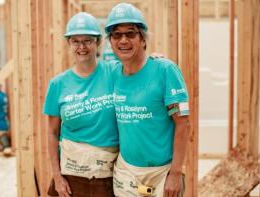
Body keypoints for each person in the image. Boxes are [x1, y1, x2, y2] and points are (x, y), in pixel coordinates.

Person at [105, 3, 190, 197]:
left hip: (162, 174)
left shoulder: (165, 70)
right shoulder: (112, 74)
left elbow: (183, 122)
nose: (123, 40)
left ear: (143, 39)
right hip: (127, 174)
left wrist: (176, 173)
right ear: (110, 41)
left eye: (131, 34)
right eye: (116, 35)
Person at [43, 12, 118, 197]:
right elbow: (52, 133)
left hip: (107, 174)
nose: (82, 46)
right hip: (71, 176)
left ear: (98, 42)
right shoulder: (58, 84)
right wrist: (57, 176)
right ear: (69, 43)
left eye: (88, 40)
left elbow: (139, 68)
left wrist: (154, 60)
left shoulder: (115, 72)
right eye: (76, 41)